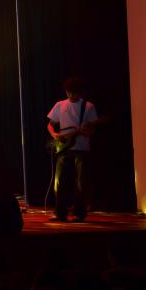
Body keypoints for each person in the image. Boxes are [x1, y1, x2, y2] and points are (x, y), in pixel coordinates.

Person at [47, 76, 99, 222]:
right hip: (63, 148)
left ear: (79, 92)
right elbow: (50, 124)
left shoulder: (88, 107)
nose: (71, 95)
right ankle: (60, 213)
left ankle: (79, 214)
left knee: (80, 183)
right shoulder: (60, 105)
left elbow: (92, 131)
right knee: (59, 182)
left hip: (81, 149)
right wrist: (54, 134)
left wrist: (84, 131)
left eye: (74, 93)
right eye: (68, 92)